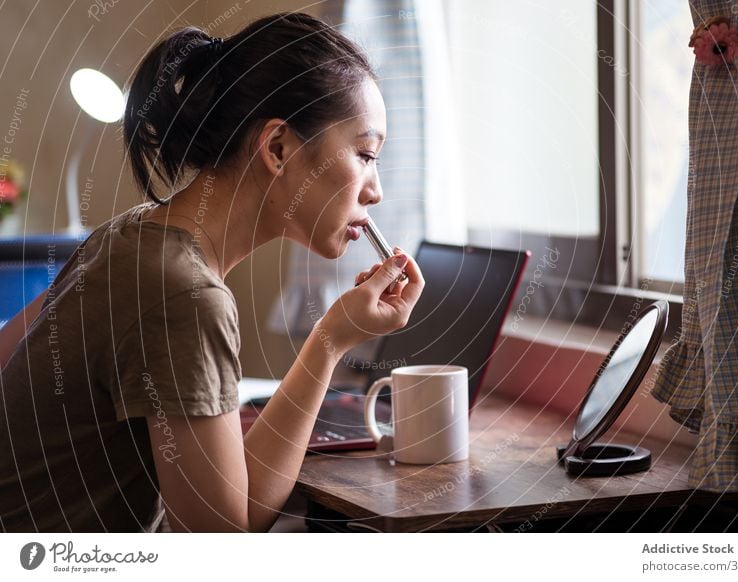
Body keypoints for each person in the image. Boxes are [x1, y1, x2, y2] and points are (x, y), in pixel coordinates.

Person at [0, 12, 424, 532]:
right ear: (278, 148)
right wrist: (331, 341)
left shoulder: (126, 237)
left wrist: (330, 337)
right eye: (365, 154)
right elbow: (222, 541)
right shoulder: (183, 293)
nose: (375, 190)